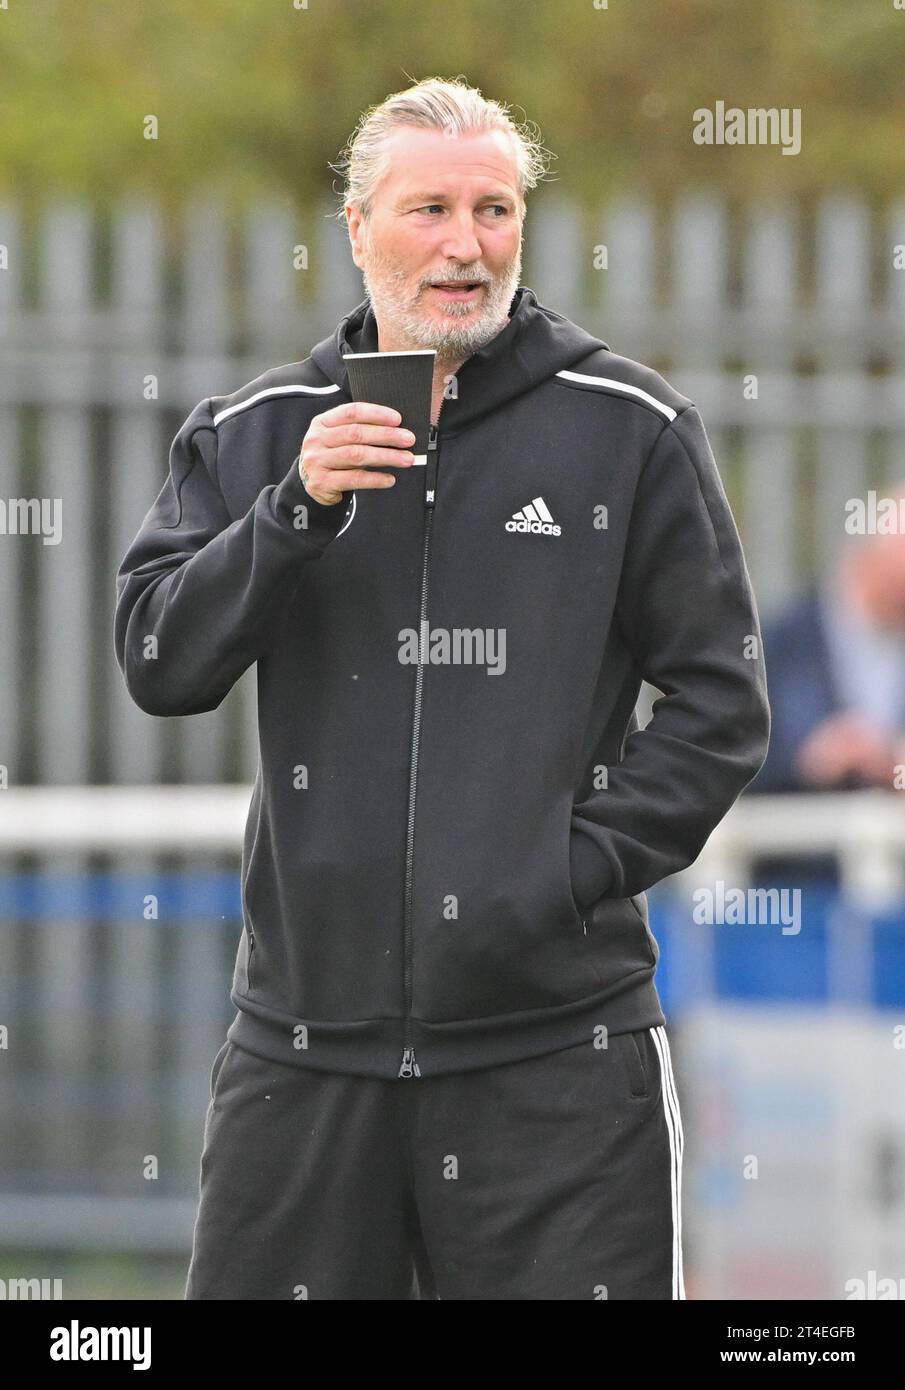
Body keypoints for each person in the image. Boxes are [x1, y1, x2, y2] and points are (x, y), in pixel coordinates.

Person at [114, 76, 770, 1300]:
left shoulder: (628, 426)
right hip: (303, 1063)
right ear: (356, 227)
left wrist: (555, 873)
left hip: (558, 1063)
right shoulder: (256, 433)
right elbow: (158, 661)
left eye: (495, 209)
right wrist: (292, 515)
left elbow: (719, 707)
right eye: (428, 210)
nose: (465, 246)